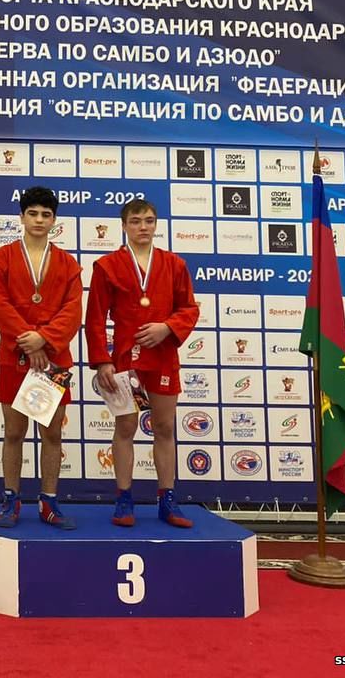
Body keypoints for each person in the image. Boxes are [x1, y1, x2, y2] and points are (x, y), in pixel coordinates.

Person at [85, 198, 199, 528]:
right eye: (135, 221)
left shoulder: (174, 264)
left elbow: (189, 309)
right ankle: (124, 498)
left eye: (149, 220)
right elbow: (95, 318)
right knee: (125, 428)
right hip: (125, 360)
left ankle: (167, 499)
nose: (143, 227)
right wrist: (102, 361)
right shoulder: (107, 266)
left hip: (162, 357)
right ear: (124, 226)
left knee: (164, 427)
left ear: (156, 224)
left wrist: (167, 328)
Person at [0, 186, 83, 529]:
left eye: (46, 214)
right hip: (16, 356)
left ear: (54, 220)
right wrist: (29, 340)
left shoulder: (68, 264)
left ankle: (49, 501)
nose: (39, 220)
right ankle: (11, 499)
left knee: (51, 433)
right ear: (22, 217)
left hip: (52, 360)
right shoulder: (3, 257)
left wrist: (46, 339)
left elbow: (73, 310)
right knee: (14, 432)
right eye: (33, 213)